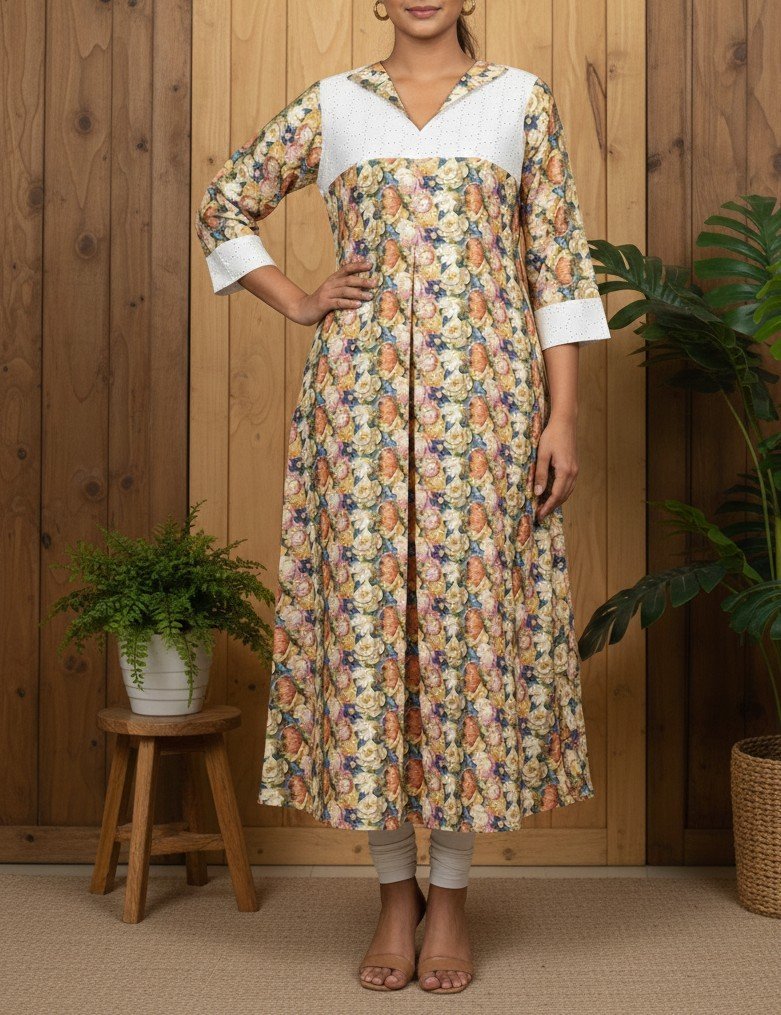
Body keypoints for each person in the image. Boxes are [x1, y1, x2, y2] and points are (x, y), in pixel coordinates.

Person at [195, 0, 611, 996]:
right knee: (370, 642)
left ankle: (451, 896)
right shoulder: (333, 104)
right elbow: (223, 204)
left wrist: (562, 417)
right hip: (358, 413)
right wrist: (299, 298)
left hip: (488, 409)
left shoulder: (520, 102)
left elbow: (555, 262)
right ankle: (392, 892)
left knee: (467, 640)